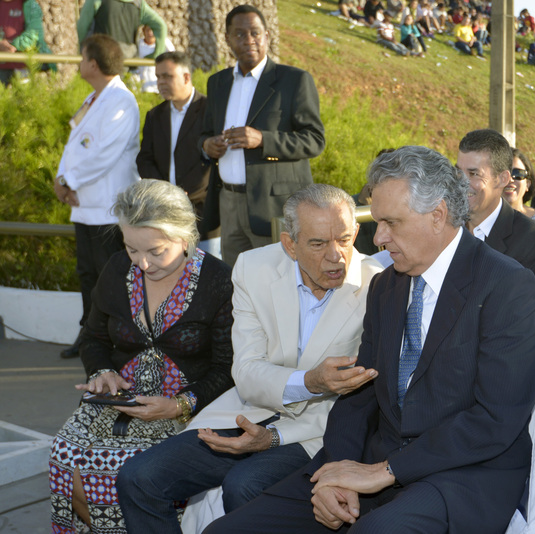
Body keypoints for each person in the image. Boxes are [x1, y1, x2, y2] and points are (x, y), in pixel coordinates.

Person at [202, 144, 535, 534]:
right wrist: (337, 472)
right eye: (378, 222)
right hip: (374, 463)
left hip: (462, 474)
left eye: (391, 223)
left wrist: (387, 470)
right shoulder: (387, 286)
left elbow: (495, 418)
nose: (379, 238)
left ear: (437, 215)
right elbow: (359, 396)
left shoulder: (505, 284)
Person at [117, 184, 383, 530]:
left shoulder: (378, 287)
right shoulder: (254, 267)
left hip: (317, 432)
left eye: (344, 239)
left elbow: (363, 404)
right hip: (247, 411)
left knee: (245, 485)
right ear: (290, 244)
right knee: (139, 478)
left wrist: (273, 438)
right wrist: (310, 381)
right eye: (318, 244)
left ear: (356, 233)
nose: (336, 256)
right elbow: (246, 370)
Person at [49, 179, 234, 533]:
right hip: (117, 402)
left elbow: (228, 368)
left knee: (120, 474)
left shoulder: (218, 281)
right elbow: (93, 337)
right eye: (132, 249)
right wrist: (102, 371)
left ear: (185, 237)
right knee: (64, 461)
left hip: (189, 410)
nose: (144, 263)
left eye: (156, 251)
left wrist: (180, 404)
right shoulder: (118, 268)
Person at [201, 5, 325, 266]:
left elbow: (314, 140)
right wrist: (207, 145)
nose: (249, 40)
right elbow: (204, 134)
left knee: (280, 279)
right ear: (227, 39)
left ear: (267, 36)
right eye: (239, 34)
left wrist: (263, 140)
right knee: (237, 280)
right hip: (228, 203)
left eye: (255, 33)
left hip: (273, 206)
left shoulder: (293, 80)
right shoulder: (217, 83)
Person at [53, 34, 140, 359]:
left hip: (107, 206)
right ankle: (89, 335)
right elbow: (74, 145)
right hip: (83, 204)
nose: (79, 63)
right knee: (88, 274)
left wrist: (69, 179)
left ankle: (117, 340)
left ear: (93, 63)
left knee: (110, 276)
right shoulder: (94, 98)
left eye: (81, 58)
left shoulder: (121, 100)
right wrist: (61, 179)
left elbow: (105, 153)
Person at [137, 51, 220, 257]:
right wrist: (165, 192)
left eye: (167, 76)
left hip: (204, 214)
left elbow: (213, 160)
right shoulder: (155, 115)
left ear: (186, 77)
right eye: (158, 77)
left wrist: (183, 193)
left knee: (207, 272)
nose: (160, 82)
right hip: (165, 214)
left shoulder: (211, 110)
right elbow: (145, 159)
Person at [458, 129, 535, 296]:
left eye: (474, 174)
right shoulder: (443, 226)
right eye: (458, 172)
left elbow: (521, 307)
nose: (462, 182)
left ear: (502, 179)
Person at [77, 0, 168, 60]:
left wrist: (83, 49)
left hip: (100, 58)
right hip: (127, 60)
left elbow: (82, 26)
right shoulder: (139, 3)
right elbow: (161, 26)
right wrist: (156, 55)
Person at [0, 0, 53, 85]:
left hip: (24, 67)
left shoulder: (30, 5)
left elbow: (34, 34)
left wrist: (11, 46)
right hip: (2, 68)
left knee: (25, 91)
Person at [135, 24, 175, 93]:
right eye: (147, 30)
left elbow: (174, 58)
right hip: (142, 88)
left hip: (158, 88)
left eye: (153, 30)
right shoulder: (139, 44)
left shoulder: (165, 43)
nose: (150, 33)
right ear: (144, 31)